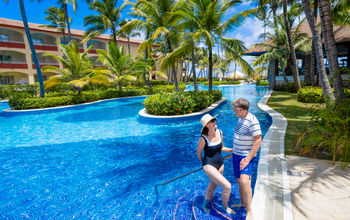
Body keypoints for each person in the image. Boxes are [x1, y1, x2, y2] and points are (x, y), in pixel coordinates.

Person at [196, 114, 235, 214]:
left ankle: (204, 205)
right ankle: (225, 207)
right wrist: (204, 164)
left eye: (214, 120)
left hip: (220, 164)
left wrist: (233, 150)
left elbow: (222, 148)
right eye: (212, 121)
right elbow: (198, 153)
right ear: (207, 125)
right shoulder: (203, 138)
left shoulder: (219, 132)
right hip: (209, 165)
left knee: (211, 188)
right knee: (227, 186)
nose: (214, 122)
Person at [231, 98, 262, 220]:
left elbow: (258, 140)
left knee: (244, 181)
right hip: (236, 155)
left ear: (239, 109)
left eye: (234, 109)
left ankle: (249, 211)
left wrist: (248, 158)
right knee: (239, 181)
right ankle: (243, 203)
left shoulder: (252, 120)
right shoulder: (241, 118)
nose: (233, 112)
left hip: (245, 156)